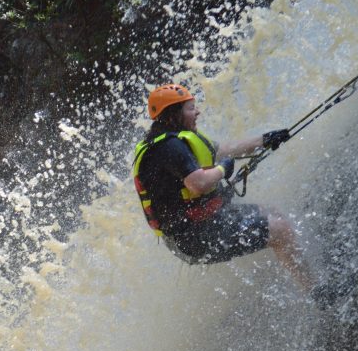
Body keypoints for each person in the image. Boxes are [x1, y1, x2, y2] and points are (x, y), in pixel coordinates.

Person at [132, 83, 315, 291]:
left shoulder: (174, 138)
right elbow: (198, 184)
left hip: (206, 223)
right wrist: (222, 169)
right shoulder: (168, 147)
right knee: (280, 230)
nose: (197, 112)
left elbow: (224, 149)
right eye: (191, 108)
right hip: (195, 238)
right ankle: (316, 292)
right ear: (173, 114)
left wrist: (265, 140)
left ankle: (302, 281)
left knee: (273, 214)